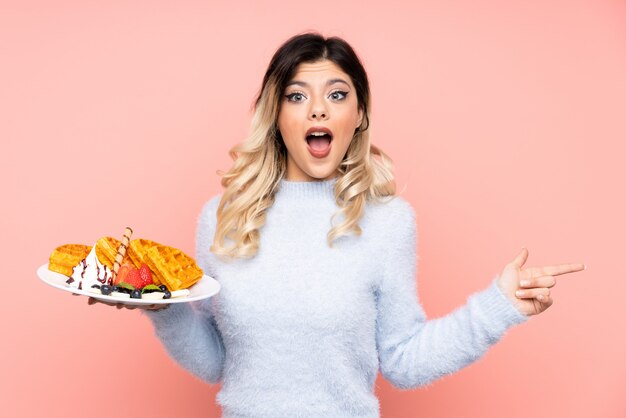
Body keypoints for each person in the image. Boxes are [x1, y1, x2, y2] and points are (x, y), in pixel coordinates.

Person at [92, 33, 585, 417]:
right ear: (276, 115)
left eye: (336, 93)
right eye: (296, 95)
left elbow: (403, 362)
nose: (318, 108)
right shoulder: (223, 218)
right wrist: (158, 304)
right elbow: (219, 362)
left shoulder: (389, 223)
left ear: (358, 115)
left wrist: (497, 307)